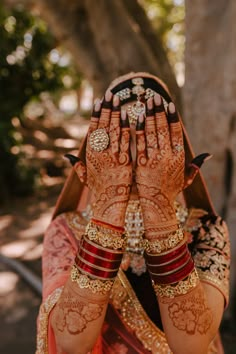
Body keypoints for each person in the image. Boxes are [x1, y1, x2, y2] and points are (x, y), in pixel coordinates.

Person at [36, 72, 230, 354]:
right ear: (86, 166)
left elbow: (193, 345)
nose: (136, 157)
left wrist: (159, 208)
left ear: (182, 164)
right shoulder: (65, 231)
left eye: (152, 143)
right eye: (119, 142)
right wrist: (108, 206)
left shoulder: (206, 228)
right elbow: (70, 342)